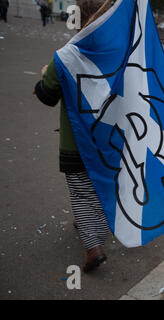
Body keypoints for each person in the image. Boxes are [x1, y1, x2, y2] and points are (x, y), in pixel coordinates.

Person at [33, 0, 113, 273]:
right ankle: (93, 225)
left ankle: (94, 247)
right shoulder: (118, 52)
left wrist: (44, 76)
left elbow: (47, 95)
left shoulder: (66, 55)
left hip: (76, 143)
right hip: (109, 142)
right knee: (101, 189)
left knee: (80, 193)